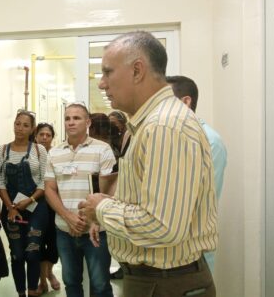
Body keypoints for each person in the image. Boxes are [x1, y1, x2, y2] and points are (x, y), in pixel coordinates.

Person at [80, 31, 218, 297]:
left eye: (108, 73)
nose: (101, 84)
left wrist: (103, 209)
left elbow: (161, 226)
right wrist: (106, 214)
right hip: (153, 280)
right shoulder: (145, 125)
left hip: (166, 284)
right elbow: (143, 202)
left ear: (137, 70)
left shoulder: (164, 127)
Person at [44, 103, 115, 297]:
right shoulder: (54, 153)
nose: (71, 122)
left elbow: (109, 190)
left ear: (88, 122)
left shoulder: (103, 150)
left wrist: (93, 219)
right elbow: (49, 189)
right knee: (71, 282)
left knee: (100, 284)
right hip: (65, 231)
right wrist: (68, 217)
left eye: (76, 118)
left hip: (96, 231)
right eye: (67, 118)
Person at [167, 75, 227, 272]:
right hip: (169, 248)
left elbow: (192, 199)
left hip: (192, 249)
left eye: (165, 101)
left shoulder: (209, 141)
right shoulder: (171, 135)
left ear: (186, 101)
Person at [0, 110, 49, 297]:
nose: (20, 128)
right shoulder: (2, 151)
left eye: (25, 125)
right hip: (11, 210)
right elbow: (0, 182)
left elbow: (45, 181)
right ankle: (20, 293)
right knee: (17, 254)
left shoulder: (38, 150)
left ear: (32, 129)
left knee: (33, 251)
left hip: (36, 208)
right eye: (18, 123)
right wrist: (10, 207)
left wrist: (30, 200)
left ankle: (33, 291)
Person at [33, 123, 61, 292]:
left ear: (52, 137)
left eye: (48, 135)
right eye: (41, 134)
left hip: (54, 205)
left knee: (53, 244)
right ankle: (42, 281)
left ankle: (50, 273)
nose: (44, 137)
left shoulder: (57, 154)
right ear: (35, 136)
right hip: (35, 205)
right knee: (37, 243)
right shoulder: (30, 154)